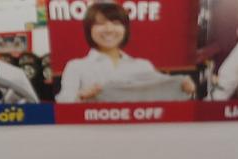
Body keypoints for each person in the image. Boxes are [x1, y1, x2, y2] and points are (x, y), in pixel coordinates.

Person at [57, 2, 196, 104]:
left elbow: (163, 94)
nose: (109, 29)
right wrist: (81, 96)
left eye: (116, 23)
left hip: (137, 132)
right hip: (93, 132)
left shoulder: (142, 66)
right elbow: (63, 103)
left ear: (125, 29)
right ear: (89, 30)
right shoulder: (76, 67)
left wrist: (184, 88)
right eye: (100, 23)